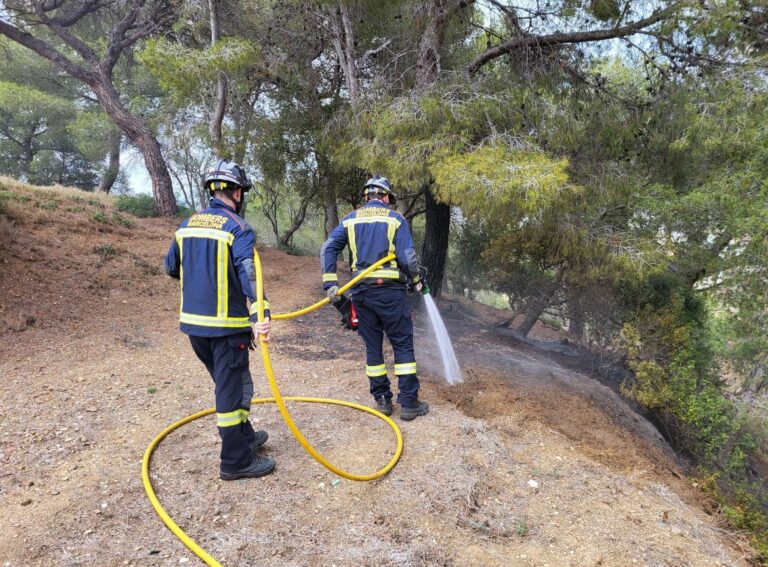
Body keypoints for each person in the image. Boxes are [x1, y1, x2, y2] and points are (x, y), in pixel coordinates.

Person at [164, 159, 276, 480]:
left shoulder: (186, 225)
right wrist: (261, 314)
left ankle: (244, 437)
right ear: (237, 192)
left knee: (234, 382)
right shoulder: (236, 228)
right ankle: (235, 462)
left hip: (195, 329)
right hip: (227, 328)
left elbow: (172, 267)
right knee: (229, 391)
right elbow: (249, 273)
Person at [321, 175, 429, 421]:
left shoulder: (350, 219)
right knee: (401, 343)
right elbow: (408, 259)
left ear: (367, 197)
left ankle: (382, 399)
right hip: (390, 294)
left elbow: (328, 248)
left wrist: (330, 283)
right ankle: (409, 403)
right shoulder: (395, 219)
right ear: (387, 197)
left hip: (361, 293)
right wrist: (415, 280)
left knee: (373, 347)